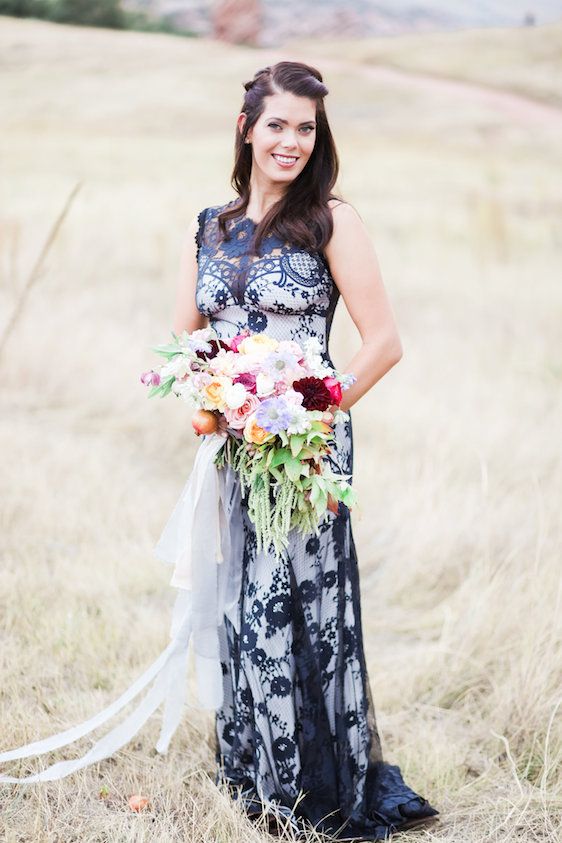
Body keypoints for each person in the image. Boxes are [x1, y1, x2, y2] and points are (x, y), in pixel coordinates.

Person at [173, 61, 440, 841]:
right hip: (234, 448)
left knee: (294, 607)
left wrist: (304, 412)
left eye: (306, 128)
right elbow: (188, 341)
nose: (291, 141)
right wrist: (213, 398)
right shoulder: (210, 227)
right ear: (246, 128)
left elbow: (383, 343)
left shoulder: (331, 221)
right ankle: (256, 773)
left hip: (307, 451)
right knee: (241, 605)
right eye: (278, 124)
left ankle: (311, 786)